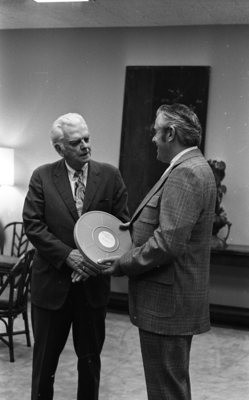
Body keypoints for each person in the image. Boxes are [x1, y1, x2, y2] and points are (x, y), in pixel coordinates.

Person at [99, 104, 217, 400]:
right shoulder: (193, 167)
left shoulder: (186, 173)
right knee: (170, 387)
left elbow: (168, 243)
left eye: (156, 131)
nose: (153, 138)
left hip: (166, 306)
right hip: (171, 302)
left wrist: (123, 263)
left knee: (166, 391)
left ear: (170, 133)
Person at [22, 112, 129, 400]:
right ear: (60, 148)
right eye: (76, 142)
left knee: (90, 364)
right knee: (44, 366)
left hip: (91, 289)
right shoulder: (42, 176)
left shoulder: (109, 175)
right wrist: (68, 256)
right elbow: (33, 225)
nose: (85, 146)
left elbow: (122, 229)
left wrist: (92, 263)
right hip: (51, 289)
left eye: (87, 139)